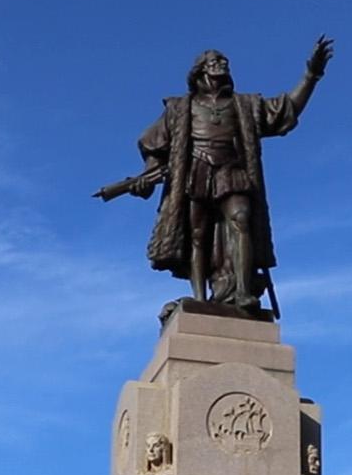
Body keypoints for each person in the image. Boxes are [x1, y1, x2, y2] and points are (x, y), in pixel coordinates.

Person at [131, 38, 333, 315]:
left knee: (241, 218)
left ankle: (241, 291)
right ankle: (200, 298)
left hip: (231, 168)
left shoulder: (245, 105)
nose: (222, 64)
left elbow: (286, 109)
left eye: (224, 61)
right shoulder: (180, 108)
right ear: (201, 71)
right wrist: (146, 176)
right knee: (198, 234)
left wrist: (311, 76)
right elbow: (152, 142)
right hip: (196, 169)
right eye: (215, 61)